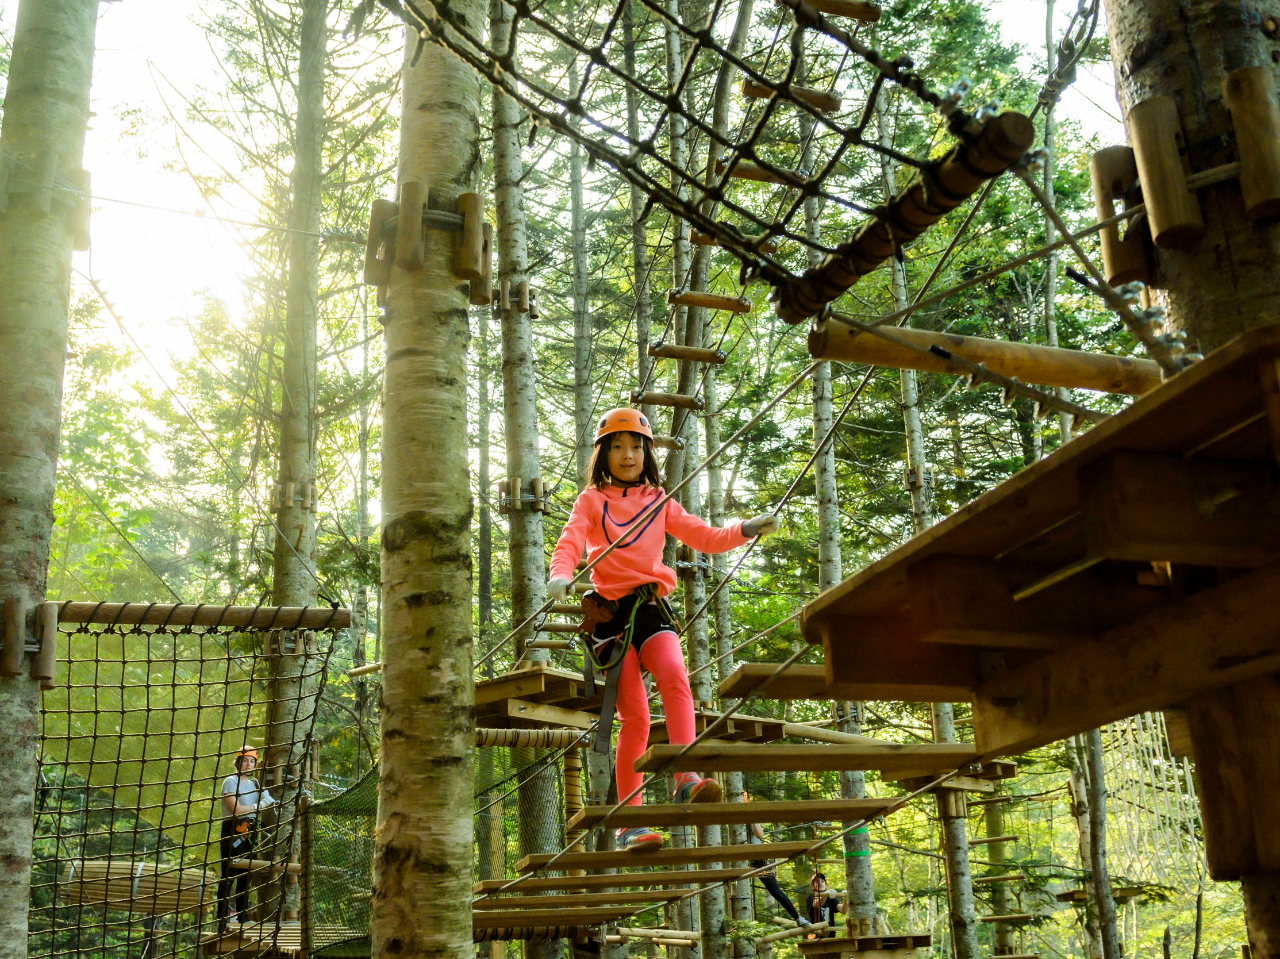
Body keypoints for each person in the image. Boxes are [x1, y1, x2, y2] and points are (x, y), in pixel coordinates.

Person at [548, 408, 778, 853]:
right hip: (610, 617)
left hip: (650, 606)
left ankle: (686, 775)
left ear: (646, 452)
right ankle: (629, 823)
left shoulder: (659, 501)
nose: (627, 454)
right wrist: (561, 573)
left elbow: (705, 536)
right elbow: (571, 540)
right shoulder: (592, 501)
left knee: (675, 674)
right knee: (633, 716)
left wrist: (746, 529)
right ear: (604, 455)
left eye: (635, 446)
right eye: (617, 447)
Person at [216, 746, 275, 927]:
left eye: (252, 761)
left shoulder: (255, 784)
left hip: (250, 831)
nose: (249, 765)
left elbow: (264, 801)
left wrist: (267, 799)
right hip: (233, 830)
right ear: (238, 762)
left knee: (246, 875)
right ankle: (222, 919)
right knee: (230, 873)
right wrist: (260, 805)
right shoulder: (231, 782)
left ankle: (243, 918)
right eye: (245, 761)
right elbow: (236, 810)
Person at [745, 807, 808, 926]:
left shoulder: (752, 821)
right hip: (742, 859)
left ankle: (797, 917)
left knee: (775, 891)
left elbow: (760, 836)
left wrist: (752, 819)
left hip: (757, 860)